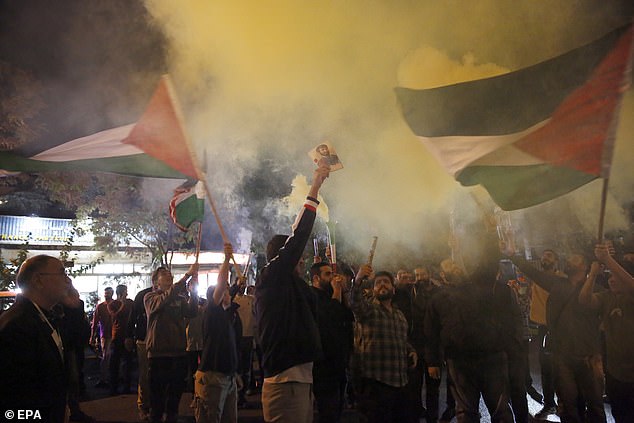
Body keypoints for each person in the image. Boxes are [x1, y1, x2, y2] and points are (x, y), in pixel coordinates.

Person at [255, 164, 330, 423]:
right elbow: (297, 237)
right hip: (284, 379)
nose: (302, 261)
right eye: (296, 257)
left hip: (300, 378)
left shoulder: (292, 286)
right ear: (281, 257)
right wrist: (315, 186)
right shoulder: (270, 277)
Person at [508, 248, 607, 422]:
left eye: (575, 257)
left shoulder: (598, 290)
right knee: (567, 406)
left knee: (595, 405)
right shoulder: (557, 283)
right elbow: (532, 271)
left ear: (586, 266)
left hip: (589, 357)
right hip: (563, 356)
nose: (569, 259)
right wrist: (511, 254)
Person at [425, 241, 516, 423]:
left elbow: (489, 265)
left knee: (500, 410)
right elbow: (431, 331)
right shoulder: (437, 298)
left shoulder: (481, 287)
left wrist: (487, 235)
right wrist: (432, 361)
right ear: (443, 274)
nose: (455, 267)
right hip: (459, 361)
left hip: (491, 357)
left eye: (457, 264)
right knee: (466, 413)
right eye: (450, 265)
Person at [0, 255, 72, 422]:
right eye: (62, 274)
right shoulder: (17, 326)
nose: (67, 281)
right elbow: (15, 401)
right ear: (38, 280)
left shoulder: (43, 315)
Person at [351, 265, 417, 423]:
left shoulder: (399, 315)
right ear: (373, 290)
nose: (382, 284)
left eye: (386, 282)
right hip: (375, 384)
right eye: (378, 282)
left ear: (393, 289)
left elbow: (401, 339)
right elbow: (355, 303)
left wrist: (411, 350)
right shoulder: (368, 310)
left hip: (400, 382)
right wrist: (358, 280)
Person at [579, 243, 634, 423]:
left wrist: (607, 260)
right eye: (609, 276)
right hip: (616, 374)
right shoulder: (606, 297)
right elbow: (584, 300)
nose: (611, 280)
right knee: (621, 416)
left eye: (615, 276)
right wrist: (593, 273)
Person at [145, 262, 200, 423]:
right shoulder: (150, 298)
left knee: (174, 398)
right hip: (158, 355)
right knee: (157, 399)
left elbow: (192, 312)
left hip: (178, 353)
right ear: (156, 282)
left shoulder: (179, 298)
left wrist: (193, 294)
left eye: (170, 273)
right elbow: (164, 299)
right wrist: (187, 275)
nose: (169, 275)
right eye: (164, 274)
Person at [194, 243, 243, 423]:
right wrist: (226, 260)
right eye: (225, 291)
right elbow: (221, 285)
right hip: (213, 377)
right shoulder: (211, 312)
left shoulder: (226, 314)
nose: (228, 292)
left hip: (228, 377)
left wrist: (234, 374)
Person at [310, 262, 354, 423]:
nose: (332, 278)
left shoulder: (333, 295)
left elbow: (347, 317)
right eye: (327, 274)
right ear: (316, 278)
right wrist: (336, 291)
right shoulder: (312, 296)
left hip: (339, 363)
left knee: (337, 409)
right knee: (328, 411)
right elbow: (330, 317)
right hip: (324, 365)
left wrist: (343, 292)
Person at [527, 249, 561, 419]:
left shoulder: (560, 279)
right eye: (543, 255)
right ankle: (549, 404)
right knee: (546, 369)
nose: (544, 257)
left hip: (559, 329)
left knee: (561, 367)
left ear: (556, 260)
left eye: (549, 255)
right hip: (543, 329)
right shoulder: (537, 278)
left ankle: (565, 403)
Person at [126, 274, 159, 421]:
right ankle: (144, 405)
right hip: (144, 339)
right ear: (155, 281)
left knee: (159, 374)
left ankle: (156, 405)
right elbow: (133, 317)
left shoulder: (169, 295)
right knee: (145, 374)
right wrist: (128, 336)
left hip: (161, 341)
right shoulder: (143, 295)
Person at [412, 266, 442, 423]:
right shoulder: (411, 293)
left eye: (422, 274)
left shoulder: (437, 293)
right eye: (416, 275)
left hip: (434, 348)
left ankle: (432, 417)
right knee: (414, 387)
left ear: (429, 275)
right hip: (416, 348)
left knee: (433, 389)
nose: (419, 278)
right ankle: (417, 412)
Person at [231, 276, 256, 408]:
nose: (243, 286)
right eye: (240, 284)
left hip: (248, 337)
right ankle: (236, 394)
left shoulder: (250, 300)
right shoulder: (232, 300)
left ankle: (243, 395)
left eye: (244, 284)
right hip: (236, 338)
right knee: (237, 367)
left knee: (246, 368)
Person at [108, 284, 134, 396]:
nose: (127, 293)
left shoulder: (130, 303)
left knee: (127, 363)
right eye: (125, 291)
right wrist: (123, 303)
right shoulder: (112, 304)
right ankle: (113, 388)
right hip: (117, 336)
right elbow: (115, 316)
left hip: (127, 336)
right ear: (120, 293)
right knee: (115, 363)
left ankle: (126, 386)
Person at [91, 286, 114, 388]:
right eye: (105, 293)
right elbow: (95, 322)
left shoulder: (115, 305)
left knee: (110, 356)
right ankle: (104, 378)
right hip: (105, 334)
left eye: (108, 293)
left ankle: (109, 377)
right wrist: (92, 336)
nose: (106, 295)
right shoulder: (100, 307)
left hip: (113, 334)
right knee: (106, 356)